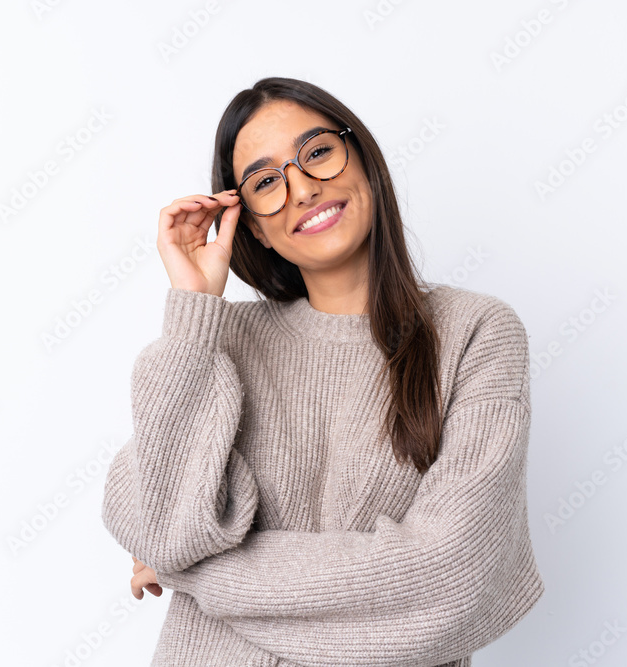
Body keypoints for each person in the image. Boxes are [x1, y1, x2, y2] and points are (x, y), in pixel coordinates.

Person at [101, 76, 545, 667]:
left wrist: (198, 573)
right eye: (265, 183)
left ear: (361, 156)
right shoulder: (218, 340)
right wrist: (194, 309)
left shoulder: (475, 333)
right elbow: (160, 521)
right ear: (252, 225)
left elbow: (450, 575)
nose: (303, 188)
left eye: (317, 153)